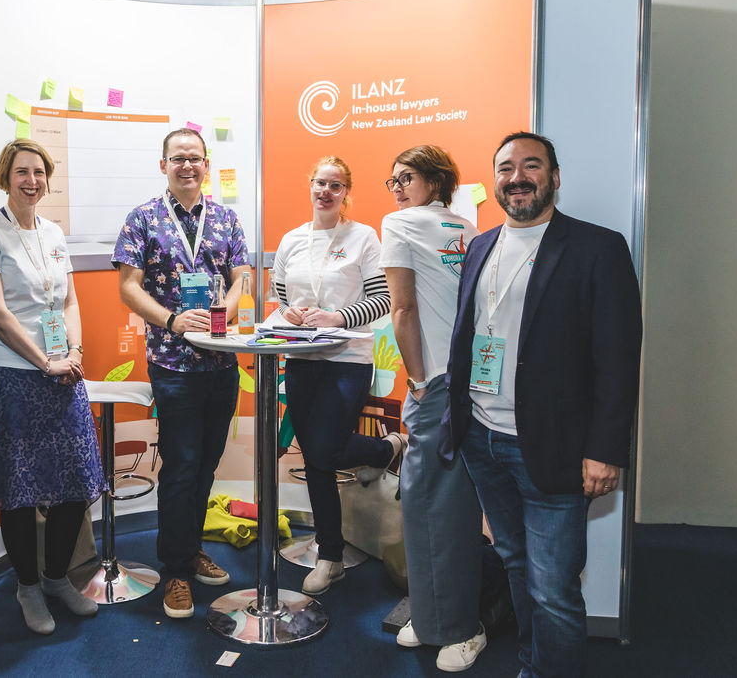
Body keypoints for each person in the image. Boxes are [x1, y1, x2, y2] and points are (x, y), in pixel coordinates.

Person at [441, 132, 642, 678]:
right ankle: (533, 665)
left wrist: (606, 450)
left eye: (532, 166)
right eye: (505, 168)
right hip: (482, 438)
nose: (517, 177)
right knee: (515, 565)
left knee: (552, 588)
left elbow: (618, 360)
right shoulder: (480, 246)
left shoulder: (598, 248)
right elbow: (468, 338)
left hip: (556, 448)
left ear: (554, 177)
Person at [0, 139, 104, 635]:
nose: (32, 181)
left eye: (39, 172)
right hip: (15, 376)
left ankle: (57, 578)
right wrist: (45, 362)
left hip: (63, 374)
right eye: (22, 172)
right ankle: (27, 587)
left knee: (73, 485)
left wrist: (74, 354)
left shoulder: (54, 232)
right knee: (19, 491)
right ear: (6, 176)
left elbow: (69, 302)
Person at [112, 128, 250, 619]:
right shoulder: (143, 218)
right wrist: (172, 320)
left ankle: (191, 551)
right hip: (173, 364)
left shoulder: (226, 219)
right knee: (180, 466)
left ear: (206, 164)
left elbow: (241, 276)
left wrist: (226, 310)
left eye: (195, 158)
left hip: (221, 362)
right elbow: (129, 287)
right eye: (178, 158)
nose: (187, 166)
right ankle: (174, 571)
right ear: (164, 164)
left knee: (206, 464)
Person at [379, 145, 487, 672]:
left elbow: (402, 309)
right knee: (441, 505)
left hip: (436, 382)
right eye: (393, 180)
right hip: (469, 381)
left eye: (407, 177)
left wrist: (419, 381)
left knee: (433, 507)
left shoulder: (398, 224)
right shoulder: (468, 228)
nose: (397, 188)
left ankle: (462, 627)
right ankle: (432, 614)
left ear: (435, 180)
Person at [272, 155, 398, 596]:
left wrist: (337, 317)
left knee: (324, 450)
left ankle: (384, 449)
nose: (326, 191)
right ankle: (332, 557)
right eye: (320, 183)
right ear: (310, 186)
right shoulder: (291, 240)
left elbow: (382, 299)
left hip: (348, 357)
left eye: (336, 185)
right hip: (301, 357)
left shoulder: (363, 237)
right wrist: (290, 312)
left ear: (346, 192)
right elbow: (280, 293)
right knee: (315, 458)